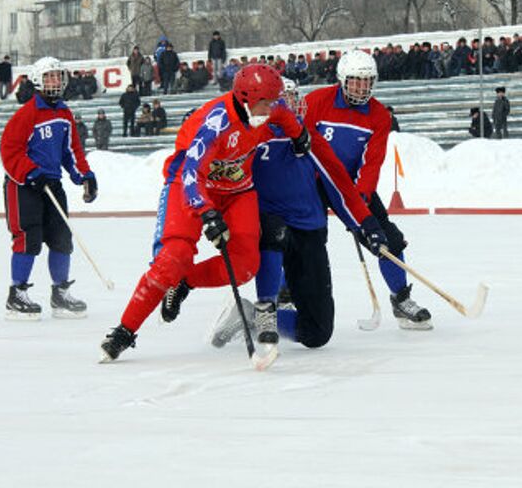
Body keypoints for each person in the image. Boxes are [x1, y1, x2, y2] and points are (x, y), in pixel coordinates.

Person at [99, 64, 312, 362]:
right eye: (266, 101)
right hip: (191, 186)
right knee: (171, 259)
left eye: (273, 100)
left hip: (238, 190)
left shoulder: (266, 108)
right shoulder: (216, 123)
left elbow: (284, 115)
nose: (272, 107)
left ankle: (186, 281)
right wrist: (207, 213)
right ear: (245, 98)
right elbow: (190, 172)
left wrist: (299, 135)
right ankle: (124, 330)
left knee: (245, 265)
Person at [208, 78, 387, 349]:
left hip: (308, 230)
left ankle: (251, 316)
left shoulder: (308, 136)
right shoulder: (250, 137)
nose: (291, 104)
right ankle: (265, 306)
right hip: (269, 229)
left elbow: (339, 184)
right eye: (283, 99)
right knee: (273, 234)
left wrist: (367, 225)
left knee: (317, 333)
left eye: (293, 97)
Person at [302, 50, 433, 329]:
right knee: (303, 241)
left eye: (367, 81)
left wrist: (358, 203)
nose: (362, 88)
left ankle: (400, 298)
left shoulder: (379, 115)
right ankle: (286, 294)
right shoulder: (315, 102)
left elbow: (372, 163)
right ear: (342, 79)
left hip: (350, 187)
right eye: (355, 81)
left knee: (388, 238)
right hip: (312, 183)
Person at [0, 57, 98, 320]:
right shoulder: (26, 114)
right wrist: (31, 173)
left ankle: (60, 293)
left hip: (53, 185)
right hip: (24, 186)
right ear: (37, 81)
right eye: (49, 77)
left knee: (61, 239)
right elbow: (10, 151)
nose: (55, 81)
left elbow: (72, 151)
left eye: (57, 76)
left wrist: (85, 176)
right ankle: (17, 294)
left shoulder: (64, 114)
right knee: (28, 238)